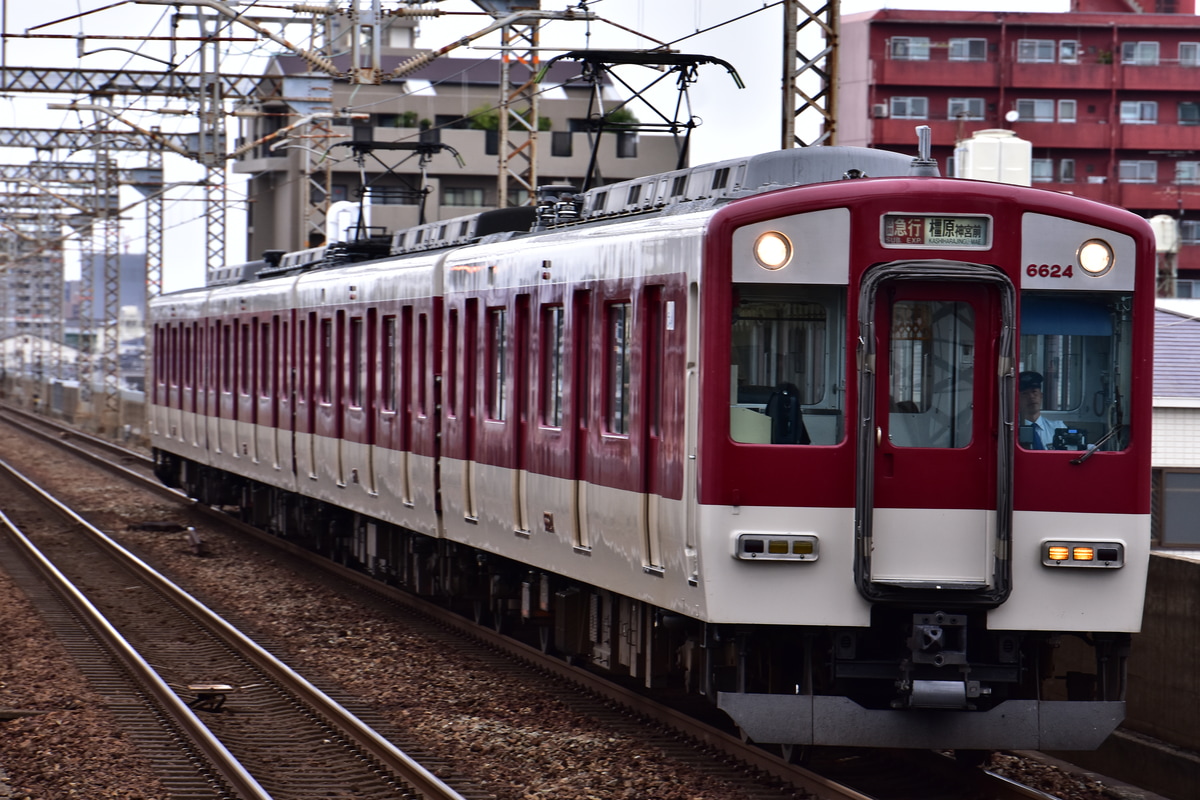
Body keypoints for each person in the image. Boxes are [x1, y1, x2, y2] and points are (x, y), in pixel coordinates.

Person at [1018, 371, 1065, 450]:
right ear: (1017, 399)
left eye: (1034, 392)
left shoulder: (1057, 428)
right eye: (1024, 394)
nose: (1031, 397)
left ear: (1041, 395)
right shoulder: (1012, 430)